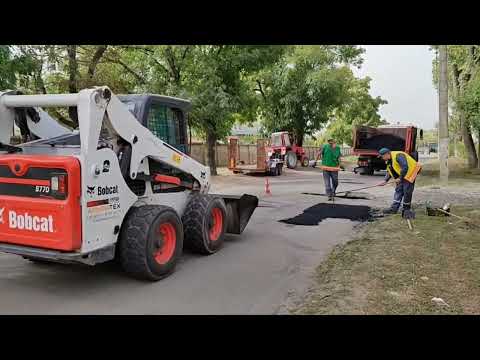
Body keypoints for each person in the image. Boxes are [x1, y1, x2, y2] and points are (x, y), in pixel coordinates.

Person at [377, 148, 422, 214]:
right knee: (398, 189)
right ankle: (394, 209)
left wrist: (400, 178)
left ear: (387, 154)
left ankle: (406, 209)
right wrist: (385, 180)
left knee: (407, 190)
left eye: (382, 156)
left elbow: (405, 167)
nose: (382, 158)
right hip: (403, 173)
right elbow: (389, 171)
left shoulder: (398, 155)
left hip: (412, 171)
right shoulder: (388, 160)